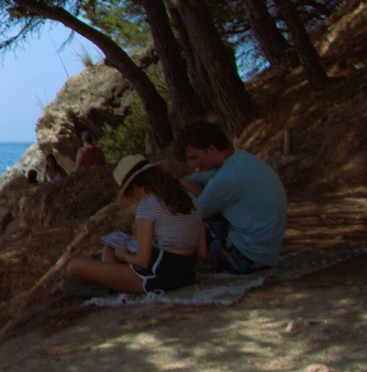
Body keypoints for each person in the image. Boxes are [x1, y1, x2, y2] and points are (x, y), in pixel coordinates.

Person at [62, 155, 202, 295]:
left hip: (157, 276)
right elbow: (202, 253)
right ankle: (109, 280)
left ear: (135, 187)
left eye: (133, 195)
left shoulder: (148, 204)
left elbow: (142, 262)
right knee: (108, 249)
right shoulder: (189, 197)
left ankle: (108, 285)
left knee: (74, 266)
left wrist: (124, 256)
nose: (136, 198)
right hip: (186, 272)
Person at [177, 120, 287, 275]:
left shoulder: (228, 176)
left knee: (187, 221)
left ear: (212, 149)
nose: (195, 164)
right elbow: (193, 179)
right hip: (266, 254)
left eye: (195, 158)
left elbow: (192, 215)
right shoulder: (239, 160)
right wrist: (182, 183)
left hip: (247, 258)